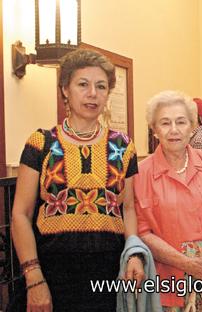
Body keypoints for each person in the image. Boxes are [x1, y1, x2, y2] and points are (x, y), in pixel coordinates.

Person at [9, 49, 145, 312]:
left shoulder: (123, 146)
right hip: (52, 276)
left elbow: (127, 209)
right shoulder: (41, 143)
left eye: (101, 86)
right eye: (83, 84)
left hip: (107, 278)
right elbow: (20, 215)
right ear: (65, 90)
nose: (92, 93)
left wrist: (134, 253)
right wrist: (34, 278)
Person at [133, 90, 202, 311]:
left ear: (192, 126)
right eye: (165, 123)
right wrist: (188, 264)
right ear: (154, 130)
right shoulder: (141, 173)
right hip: (168, 287)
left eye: (181, 122)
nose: (174, 130)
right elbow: (142, 231)